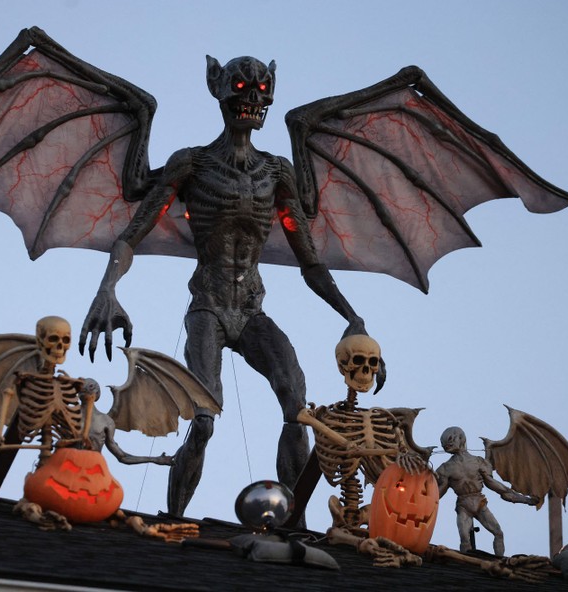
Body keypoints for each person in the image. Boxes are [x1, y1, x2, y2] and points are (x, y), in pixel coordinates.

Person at [80, 57, 366, 515]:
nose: (252, 99)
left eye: (261, 89)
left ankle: (295, 520)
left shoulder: (276, 173)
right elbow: (130, 234)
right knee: (205, 419)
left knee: (297, 404)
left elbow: (310, 262)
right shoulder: (191, 164)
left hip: (251, 310)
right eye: (240, 86)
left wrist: (352, 316)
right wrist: (107, 289)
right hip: (209, 306)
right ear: (217, 87)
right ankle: (174, 517)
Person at [435, 426, 537, 556]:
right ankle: (466, 566)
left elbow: (498, 488)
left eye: (450, 439)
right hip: (463, 506)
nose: (446, 444)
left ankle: (500, 563)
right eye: (443, 442)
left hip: (479, 502)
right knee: (465, 539)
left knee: (498, 533)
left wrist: (525, 499)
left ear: (460, 438)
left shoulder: (478, 462)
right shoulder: (445, 468)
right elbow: (436, 495)